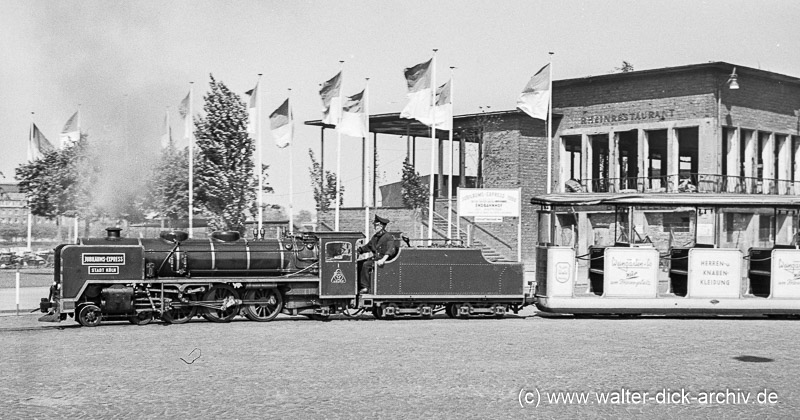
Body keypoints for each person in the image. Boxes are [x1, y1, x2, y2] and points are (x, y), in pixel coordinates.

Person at [357, 215, 396, 294]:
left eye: (376, 226)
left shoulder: (388, 237)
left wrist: (383, 260)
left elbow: (390, 250)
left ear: (381, 226)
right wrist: (359, 250)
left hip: (381, 260)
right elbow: (368, 247)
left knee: (366, 264)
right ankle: (358, 286)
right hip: (375, 259)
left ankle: (365, 287)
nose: (374, 228)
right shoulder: (375, 237)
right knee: (359, 264)